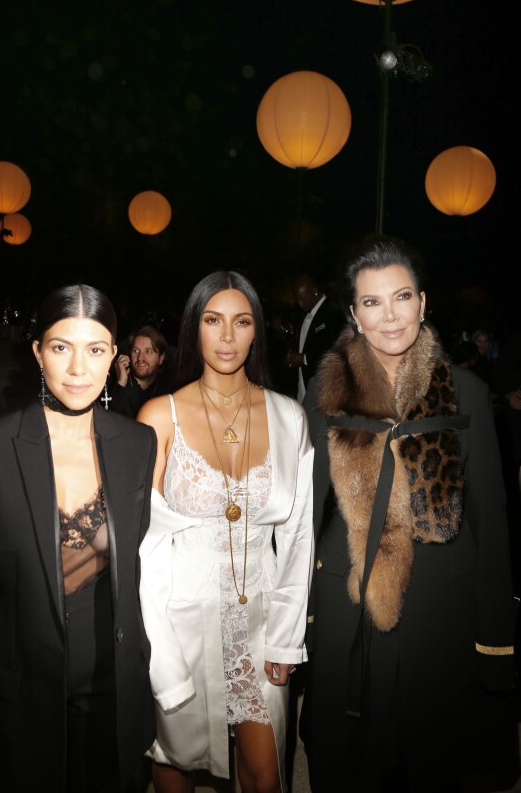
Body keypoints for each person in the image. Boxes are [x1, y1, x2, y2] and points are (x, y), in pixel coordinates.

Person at [299, 235, 516, 792]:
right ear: (352, 313)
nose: (389, 316)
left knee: (433, 757)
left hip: (441, 609)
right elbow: (304, 517)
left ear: (424, 302)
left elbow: (492, 523)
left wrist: (496, 642)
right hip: (350, 599)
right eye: (371, 302)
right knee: (353, 762)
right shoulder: (325, 397)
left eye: (402, 297)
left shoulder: (466, 391)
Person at [0, 284, 157, 793]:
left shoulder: (137, 444)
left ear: (115, 358)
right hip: (22, 694)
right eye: (61, 347)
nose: (79, 369)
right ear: (37, 352)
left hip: (113, 685)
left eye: (96, 349)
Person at [137, 271, 314, 793]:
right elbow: (144, 545)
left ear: (258, 331)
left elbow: (299, 537)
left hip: (260, 622)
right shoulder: (159, 416)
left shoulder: (289, 417)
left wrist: (286, 639)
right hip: (181, 621)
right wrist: (158, 653)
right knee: (174, 762)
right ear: (195, 330)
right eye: (214, 321)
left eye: (242, 322)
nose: (228, 336)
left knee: (266, 774)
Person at [285, 274, 341, 404]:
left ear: (315, 292)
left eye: (303, 299)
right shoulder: (305, 314)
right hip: (303, 384)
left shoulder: (333, 312)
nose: (300, 304)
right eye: (297, 300)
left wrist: (304, 358)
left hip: (324, 388)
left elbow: (337, 351)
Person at [110, 324, 171, 418]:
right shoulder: (114, 383)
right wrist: (121, 382)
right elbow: (107, 419)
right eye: (136, 351)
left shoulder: (166, 391)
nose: (140, 358)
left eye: (148, 351)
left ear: (161, 358)